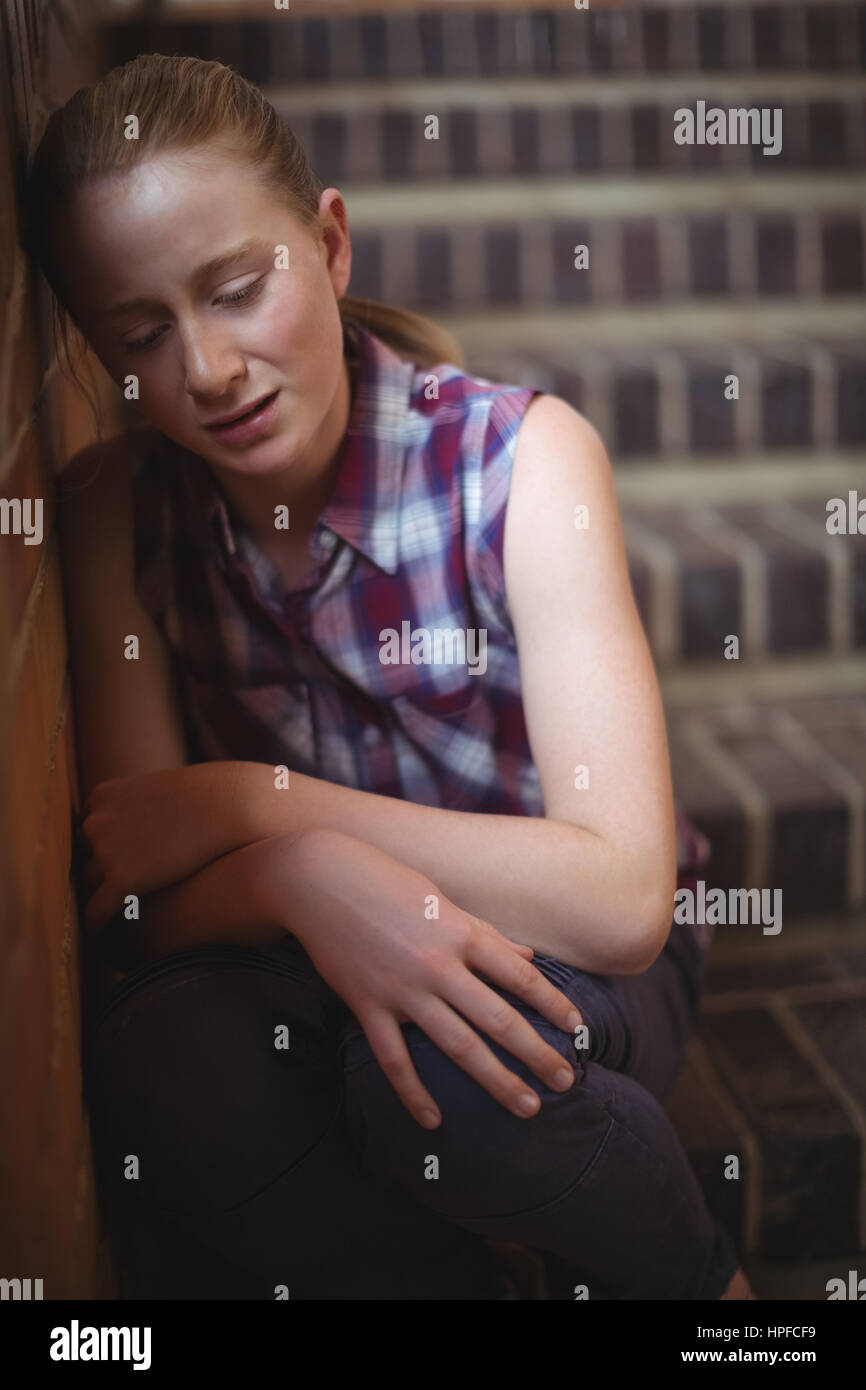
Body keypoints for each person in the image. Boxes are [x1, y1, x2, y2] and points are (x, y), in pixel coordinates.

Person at [22, 53, 754, 1300]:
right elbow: (139, 912)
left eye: (239, 290)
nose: (204, 368)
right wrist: (301, 878)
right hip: (301, 944)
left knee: (447, 1089)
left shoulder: (521, 462)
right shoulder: (113, 511)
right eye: (140, 334)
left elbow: (620, 895)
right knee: (166, 1049)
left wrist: (262, 808)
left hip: (574, 948)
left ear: (331, 245)